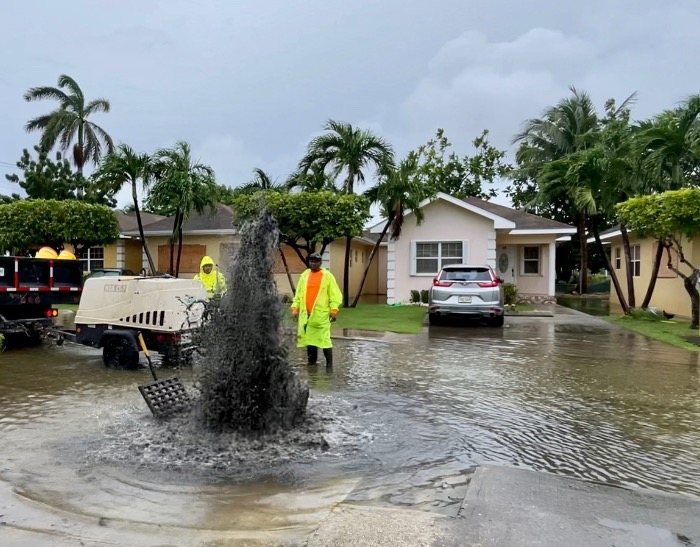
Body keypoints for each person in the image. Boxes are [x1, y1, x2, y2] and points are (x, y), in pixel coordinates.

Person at [292, 253, 342, 367]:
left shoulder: (327, 276)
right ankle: (312, 365)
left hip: (321, 315)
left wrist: (334, 310)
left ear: (320, 263)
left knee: (325, 340)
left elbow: (335, 295)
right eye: (311, 261)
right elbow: (299, 294)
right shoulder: (304, 276)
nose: (313, 264)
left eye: (315, 262)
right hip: (306, 315)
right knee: (309, 340)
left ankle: (329, 366)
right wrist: (295, 308)